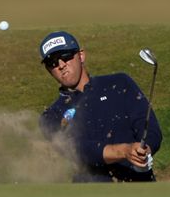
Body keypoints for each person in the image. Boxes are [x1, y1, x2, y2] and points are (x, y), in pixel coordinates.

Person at [38, 31, 161, 182]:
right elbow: (78, 149)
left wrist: (145, 149)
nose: (61, 65)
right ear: (49, 70)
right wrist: (124, 151)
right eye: (53, 63)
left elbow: (147, 124)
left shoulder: (119, 84)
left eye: (66, 56)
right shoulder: (52, 115)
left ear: (81, 56)